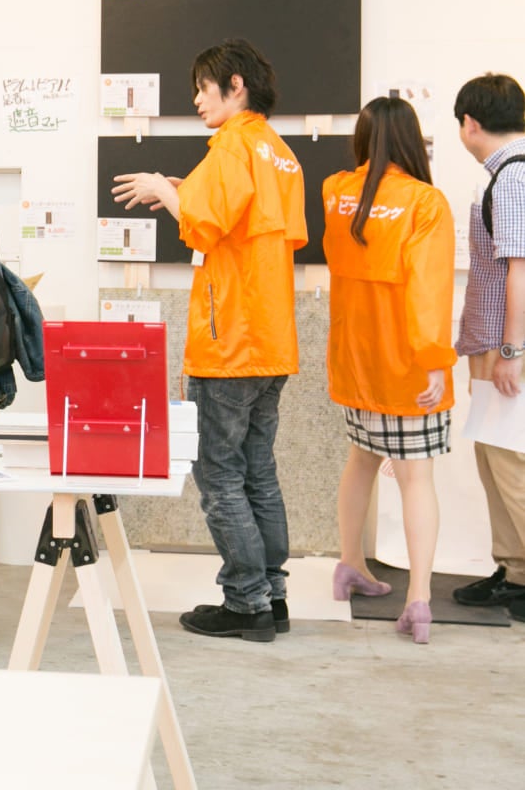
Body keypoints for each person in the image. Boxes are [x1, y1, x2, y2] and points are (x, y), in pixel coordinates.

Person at [112, 38, 305, 642]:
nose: (196, 99)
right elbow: (250, 223)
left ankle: (246, 603)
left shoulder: (231, 145)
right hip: (271, 339)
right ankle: (272, 597)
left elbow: (201, 225)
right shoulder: (279, 151)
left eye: (202, 87)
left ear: (236, 85)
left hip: (229, 343)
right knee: (258, 473)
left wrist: (164, 187)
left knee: (219, 475)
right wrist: (180, 187)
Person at [322, 97, 455, 644]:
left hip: (355, 359)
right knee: (416, 477)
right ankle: (418, 599)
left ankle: (349, 562)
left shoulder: (336, 193)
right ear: (411, 140)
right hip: (405, 364)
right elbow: (428, 289)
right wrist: (435, 361)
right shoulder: (425, 202)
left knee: (361, 459)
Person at [450, 73, 525, 621]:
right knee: (493, 456)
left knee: (509, 461)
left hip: (507, 345)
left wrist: (512, 351)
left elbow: (522, 268)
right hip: (496, 342)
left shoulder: (514, 177)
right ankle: (515, 570)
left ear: (470, 123)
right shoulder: (505, 174)